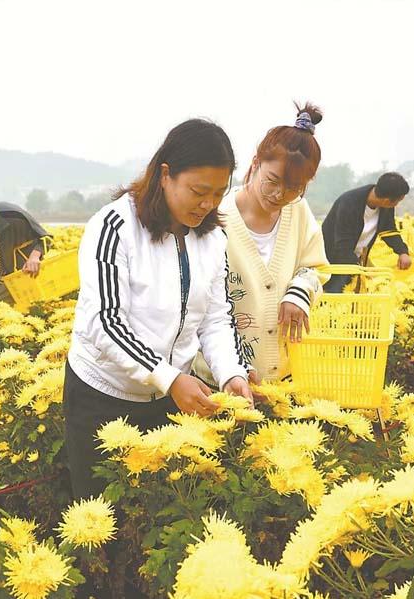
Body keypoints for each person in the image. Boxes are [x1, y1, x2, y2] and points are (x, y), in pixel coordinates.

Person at [63, 118, 253, 501]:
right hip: (104, 396)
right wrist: (168, 378)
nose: (208, 204)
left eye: (218, 193)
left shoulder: (212, 238)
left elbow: (215, 317)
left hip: (169, 395)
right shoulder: (115, 227)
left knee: (162, 504)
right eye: (199, 191)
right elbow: (107, 322)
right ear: (165, 175)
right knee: (101, 511)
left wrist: (231, 373)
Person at [196, 102, 328, 384]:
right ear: (255, 164)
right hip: (218, 377)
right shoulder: (215, 217)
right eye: (272, 181)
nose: (280, 194)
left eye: (294, 188)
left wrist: (299, 293)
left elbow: (316, 267)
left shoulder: (299, 212)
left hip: (285, 371)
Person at [321, 173, 412, 293]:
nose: (397, 205)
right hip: (333, 262)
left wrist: (402, 252)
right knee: (335, 297)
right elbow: (342, 245)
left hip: (356, 261)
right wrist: (363, 271)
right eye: (398, 201)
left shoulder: (386, 206)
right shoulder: (348, 203)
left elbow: (388, 229)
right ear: (387, 201)